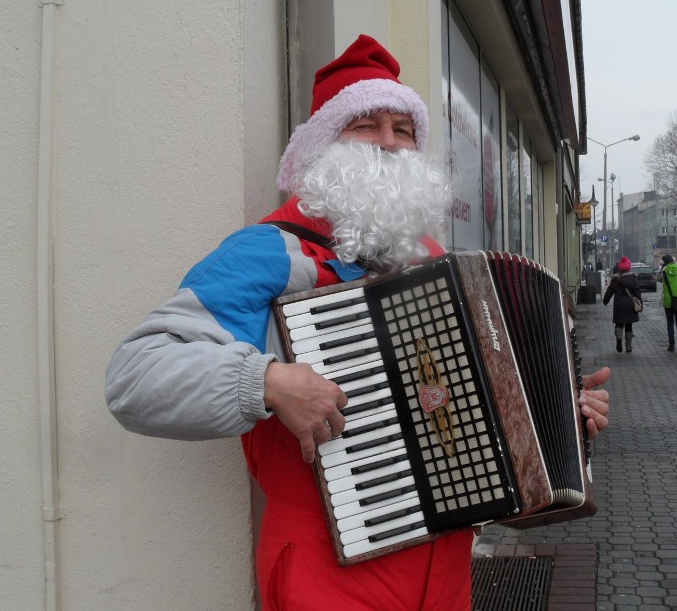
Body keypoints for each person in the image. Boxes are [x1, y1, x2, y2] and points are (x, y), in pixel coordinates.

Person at [105, 34, 611, 610]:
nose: (388, 144)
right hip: (328, 574)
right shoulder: (270, 251)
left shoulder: (431, 260)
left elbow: (458, 410)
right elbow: (135, 376)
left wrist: (551, 422)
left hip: (445, 572)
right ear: (323, 147)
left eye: (402, 129)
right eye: (365, 125)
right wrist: (266, 382)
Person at [602, 256, 641, 353]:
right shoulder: (633, 279)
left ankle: (619, 339)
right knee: (629, 325)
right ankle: (628, 346)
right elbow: (638, 293)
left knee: (619, 323)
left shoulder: (615, 280)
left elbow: (609, 292)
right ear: (629, 267)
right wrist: (641, 304)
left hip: (619, 304)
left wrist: (605, 301)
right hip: (630, 305)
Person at [656, 254, 677, 352]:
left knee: (670, 323)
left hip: (668, 302)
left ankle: (671, 345)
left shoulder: (664, 271)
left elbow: (657, 279)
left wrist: (662, 268)